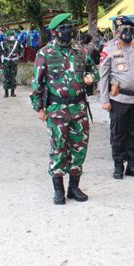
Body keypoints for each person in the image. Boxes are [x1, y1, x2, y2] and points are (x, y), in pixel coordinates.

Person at [30, 13, 99, 205]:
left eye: (70, 27)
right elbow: (37, 82)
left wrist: (91, 78)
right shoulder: (45, 53)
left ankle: (74, 188)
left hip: (78, 107)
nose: (68, 31)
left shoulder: (80, 51)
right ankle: (58, 191)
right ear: (54, 32)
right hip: (56, 108)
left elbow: (94, 70)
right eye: (64, 29)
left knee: (79, 148)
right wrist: (39, 108)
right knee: (58, 148)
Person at [99, 16, 134, 179]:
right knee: (118, 134)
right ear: (116, 32)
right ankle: (118, 166)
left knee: (133, 133)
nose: (128, 33)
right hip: (119, 100)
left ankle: (132, 165)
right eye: (124, 30)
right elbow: (103, 76)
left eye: (131, 30)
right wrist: (105, 100)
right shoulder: (108, 49)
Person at [0, 30, 21, 97]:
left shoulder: (17, 43)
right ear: (7, 36)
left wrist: (19, 56)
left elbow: (21, 50)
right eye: (11, 36)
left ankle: (12, 92)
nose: (12, 37)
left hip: (14, 62)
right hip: (6, 62)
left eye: (13, 36)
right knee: (6, 77)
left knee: (13, 77)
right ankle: (6, 92)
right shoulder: (2, 43)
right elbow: (0, 53)